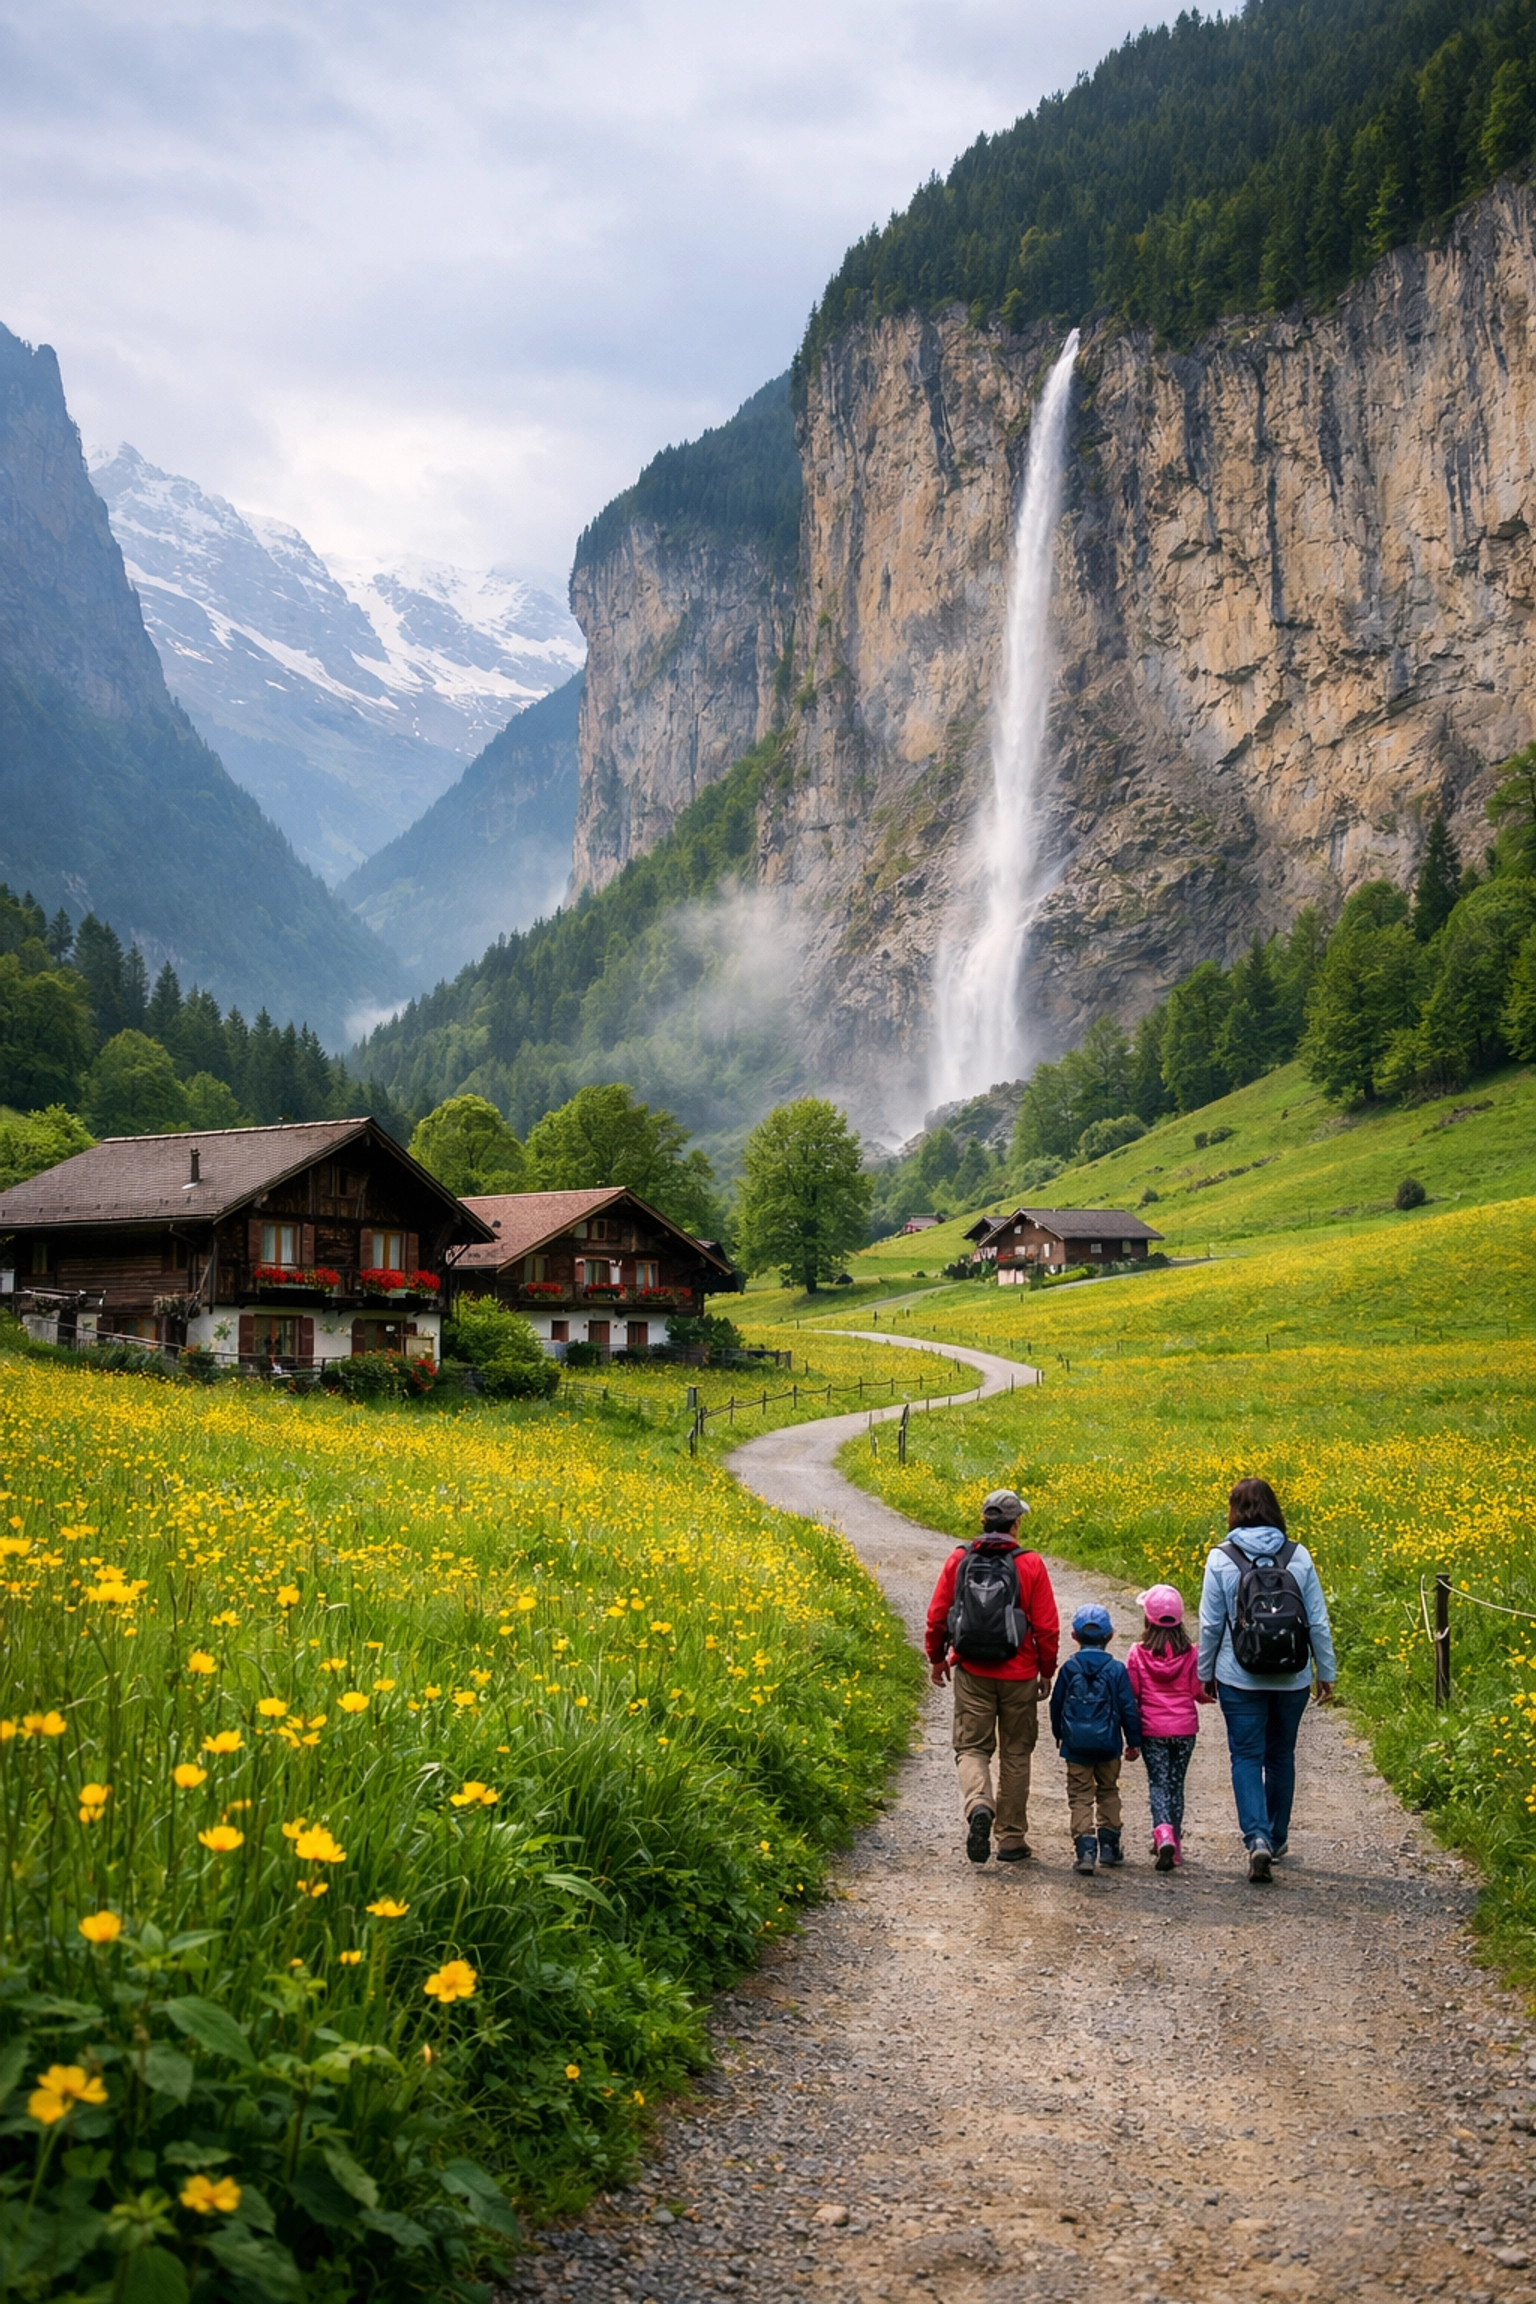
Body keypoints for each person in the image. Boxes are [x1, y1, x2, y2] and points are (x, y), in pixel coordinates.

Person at [1197, 1476, 1337, 1884]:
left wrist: (1205, 1673)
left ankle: (1256, 1837)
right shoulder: (1298, 1555)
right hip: (1292, 1676)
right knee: (1281, 1757)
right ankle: (1276, 1838)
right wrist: (1324, 1670)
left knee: (1245, 1756)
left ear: (1234, 1512)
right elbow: (1317, 1620)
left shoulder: (1221, 1558)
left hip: (1239, 1675)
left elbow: (1210, 1626)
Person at [925, 1488, 1059, 1865]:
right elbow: (1047, 1626)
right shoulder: (1030, 1563)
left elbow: (938, 1614)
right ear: (1016, 1524)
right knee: (1016, 1752)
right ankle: (1011, 1839)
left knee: (971, 1748)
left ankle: (979, 1804)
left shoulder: (959, 1559)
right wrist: (1046, 1670)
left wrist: (937, 1658)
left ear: (983, 1521)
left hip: (971, 1670)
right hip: (1019, 1673)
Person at [1049, 1604, 1142, 1874]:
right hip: (1109, 1744)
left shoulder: (1069, 1668)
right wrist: (1133, 1741)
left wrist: (1059, 1734)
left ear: (1074, 1636)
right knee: (1108, 1790)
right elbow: (1128, 1708)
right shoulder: (1116, 1669)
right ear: (1111, 1635)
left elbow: (1056, 1704)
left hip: (1076, 1745)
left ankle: (1086, 1850)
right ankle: (1110, 1847)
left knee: (1080, 1795)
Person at [1126, 1584, 1213, 1870]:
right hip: (1185, 1730)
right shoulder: (1191, 1652)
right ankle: (1174, 1845)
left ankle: (1162, 1834)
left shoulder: (1138, 1653)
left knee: (1159, 1784)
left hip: (1153, 1730)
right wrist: (1206, 1697)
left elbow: (1134, 1692)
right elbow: (1195, 1690)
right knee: (1177, 1786)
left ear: (1147, 1619)